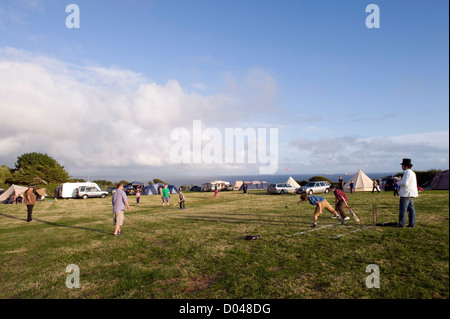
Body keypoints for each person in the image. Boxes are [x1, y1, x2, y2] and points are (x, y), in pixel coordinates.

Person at [397, 158, 418, 227]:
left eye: (402, 165)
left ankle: (402, 224)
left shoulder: (407, 173)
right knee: (412, 209)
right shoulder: (412, 173)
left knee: (403, 209)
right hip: (411, 193)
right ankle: (412, 223)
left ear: (405, 166)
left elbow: (405, 183)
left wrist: (397, 182)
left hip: (406, 194)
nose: (401, 166)